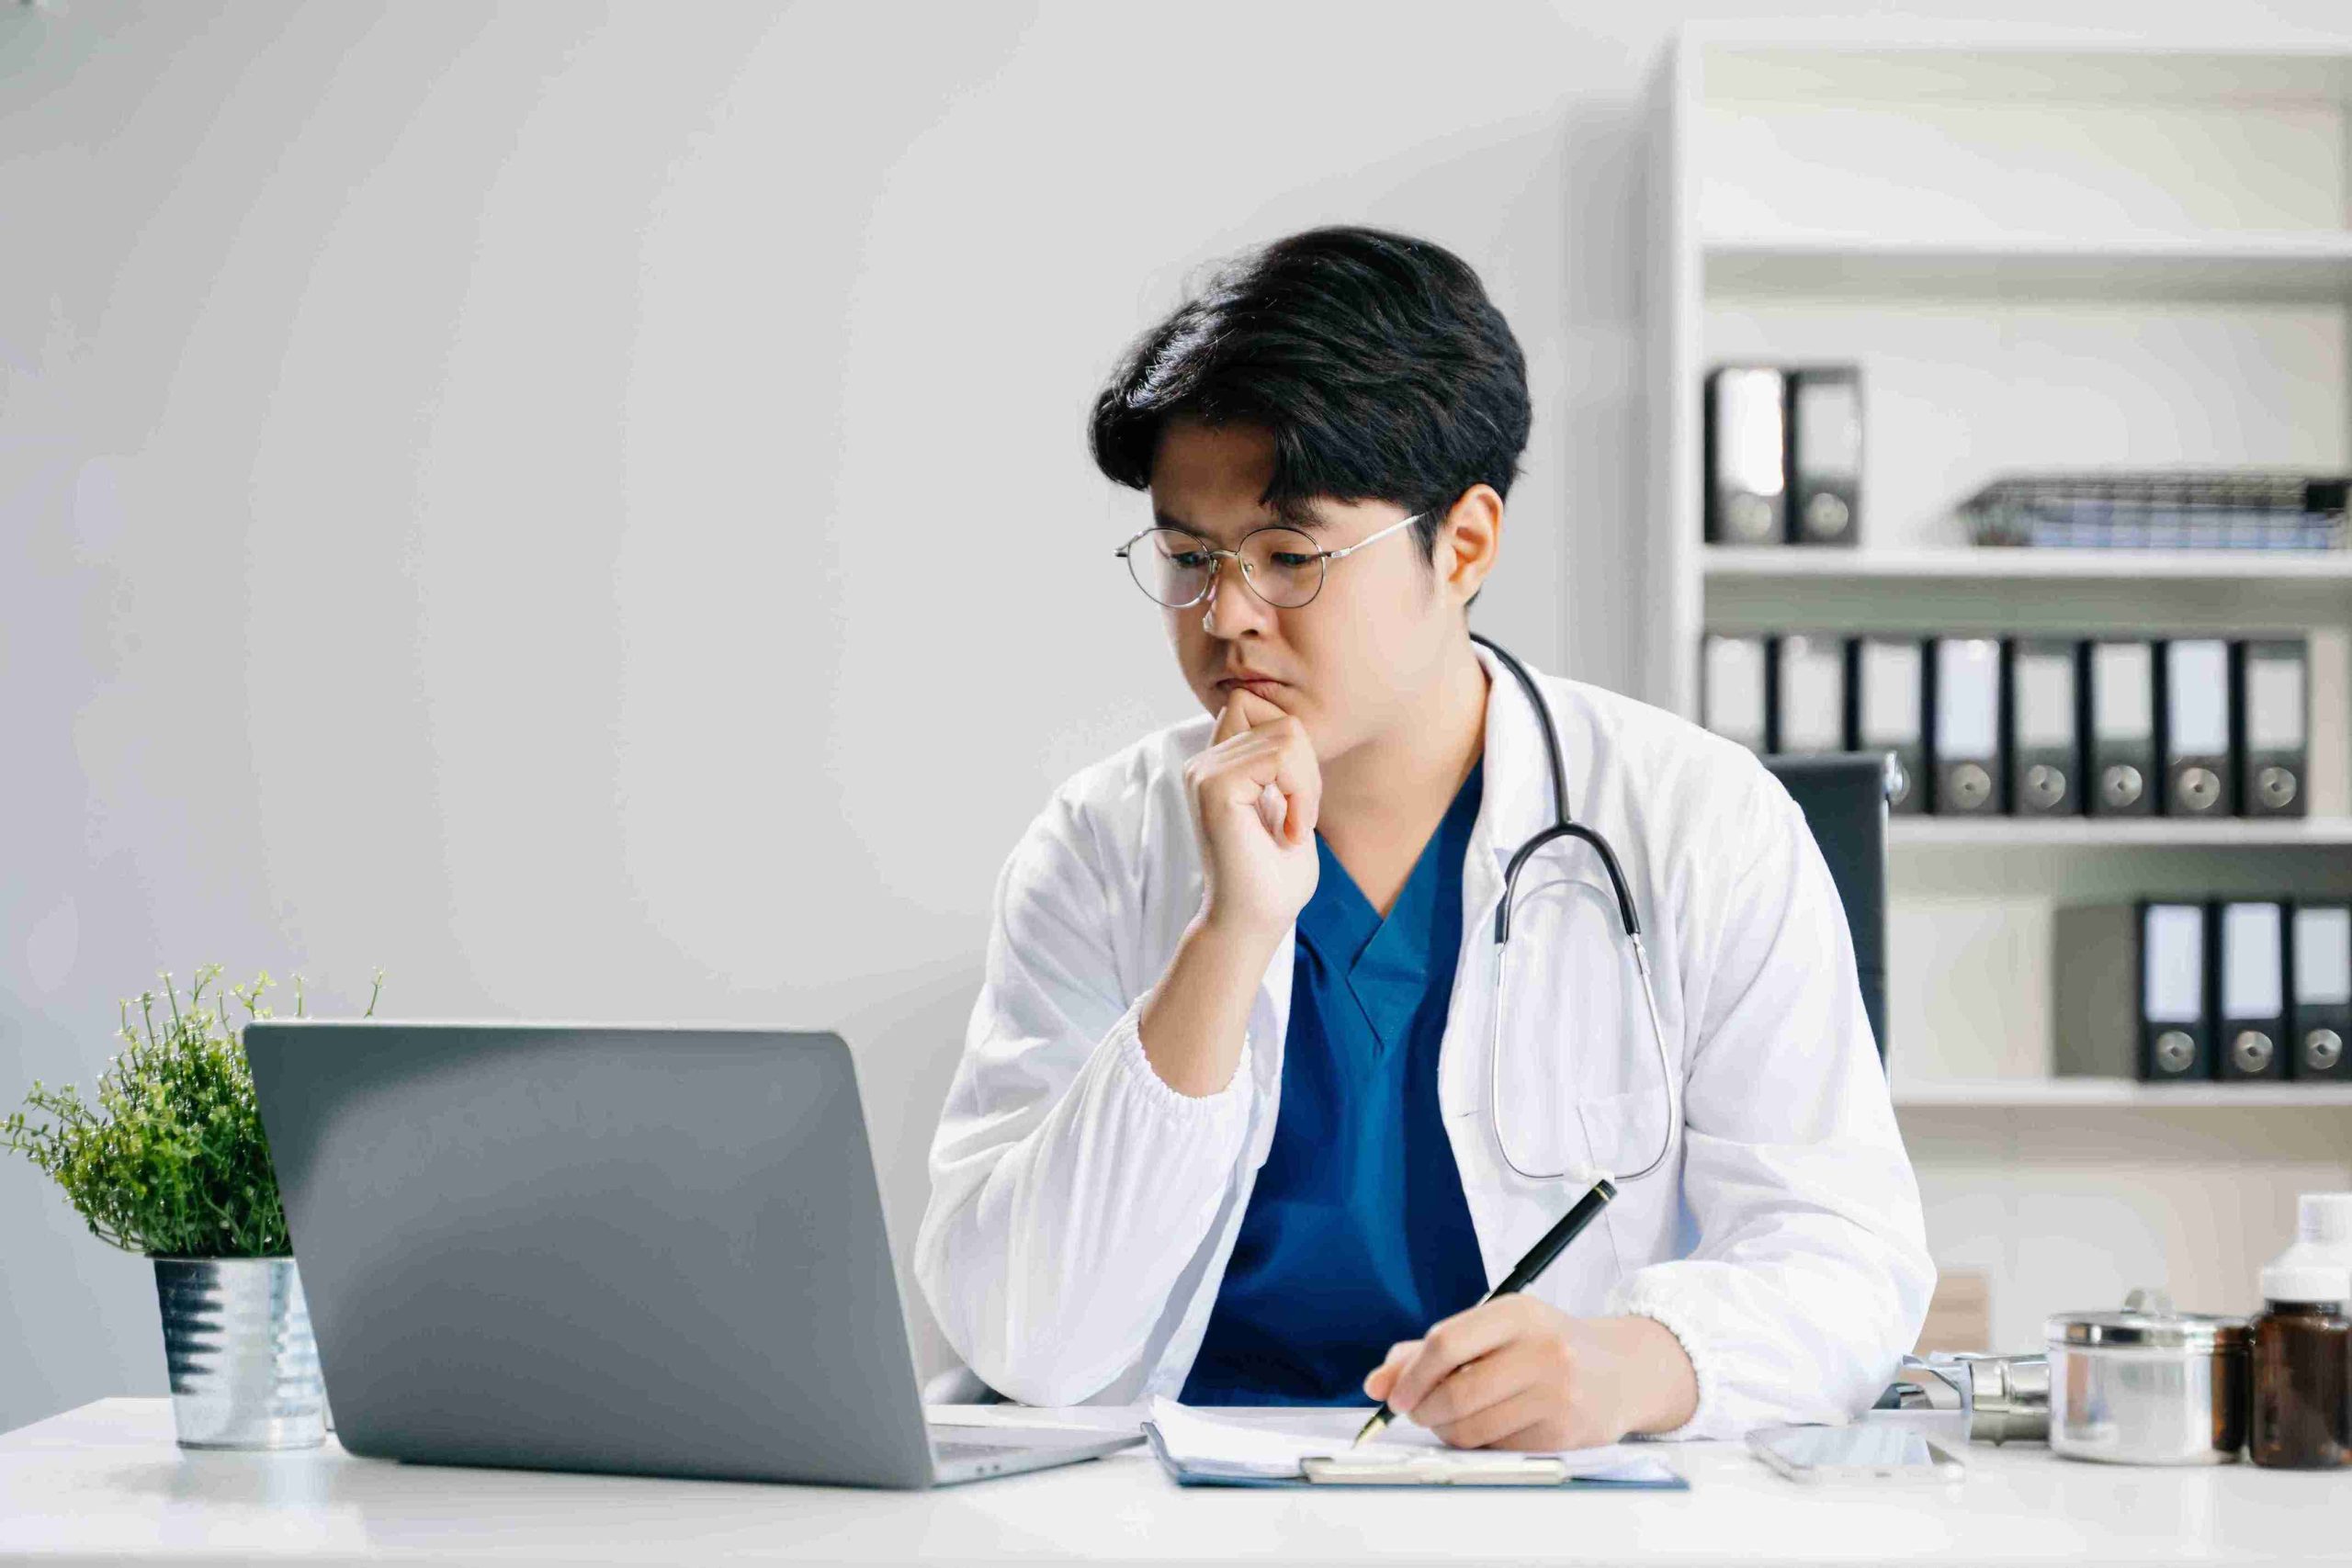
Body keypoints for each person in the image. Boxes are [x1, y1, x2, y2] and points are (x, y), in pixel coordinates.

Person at [913, 225, 1933, 1449]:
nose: (1225, 615)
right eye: (1188, 557)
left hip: (1548, 1506)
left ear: (1465, 544)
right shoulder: (1098, 847)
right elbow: (1027, 1338)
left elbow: (1848, 1255)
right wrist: (1229, 935)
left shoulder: (1703, 823)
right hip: (1167, 1504)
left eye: (1289, 556)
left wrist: (1635, 1366)